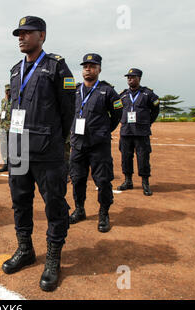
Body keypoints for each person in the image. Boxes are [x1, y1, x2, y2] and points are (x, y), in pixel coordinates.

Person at [2, 16, 75, 292]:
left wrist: (57, 142)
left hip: (47, 151)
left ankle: (53, 258)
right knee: (20, 202)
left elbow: (68, 110)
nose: (21, 37)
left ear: (41, 36)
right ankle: (25, 249)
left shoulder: (56, 67)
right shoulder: (14, 70)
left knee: (54, 205)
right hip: (19, 150)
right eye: (19, 33)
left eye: (27, 33)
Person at [68, 53, 123, 233]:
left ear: (99, 69)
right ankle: (80, 209)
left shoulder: (107, 91)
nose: (88, 69)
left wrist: (104, 130)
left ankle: (104, 213)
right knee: (77, 179)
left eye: (92, 66)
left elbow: (117, 115)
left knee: (103, 180)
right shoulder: (75, 91)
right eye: (85, 66)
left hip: (99, 145)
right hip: (78, 144)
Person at [117, 68, 160, 196]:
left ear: (139, 78)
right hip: (126, 131)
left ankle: (145, 183)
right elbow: (117, 110)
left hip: (141, 132)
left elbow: (156, 109)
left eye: (132, 77)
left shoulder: (148, 94)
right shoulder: (123, 95)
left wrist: (147, 122)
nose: (130, 79)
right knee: (126, 157)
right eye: (128, 77)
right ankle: (128, 181)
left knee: (143, 157)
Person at [0, 84, 12, 172]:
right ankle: (5, 164)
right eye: (7, 90)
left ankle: (11, 165)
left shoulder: (15, 100)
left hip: (12, 127)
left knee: (12, 147)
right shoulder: (3, 101)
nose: (8, 92)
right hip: (3, 127)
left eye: (9, 90)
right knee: (3, 147)